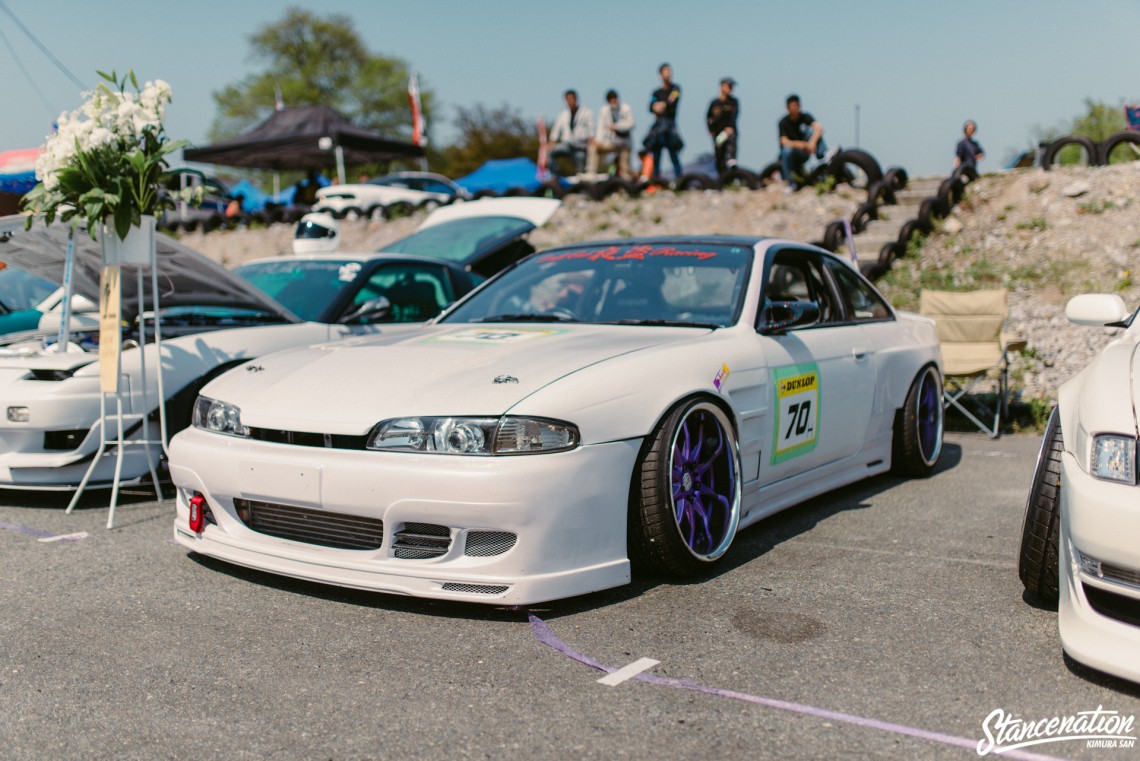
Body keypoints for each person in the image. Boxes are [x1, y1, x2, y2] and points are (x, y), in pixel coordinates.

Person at [778, 94, 830, 191]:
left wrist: (812, 142)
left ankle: (824, 157)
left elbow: (819, 128)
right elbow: (783, 141)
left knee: (811, 131)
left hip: (807, 150)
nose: (796, 108)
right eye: (793, 105)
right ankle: (791, 184)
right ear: (787, 107)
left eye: (797, 105)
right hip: (793, 154)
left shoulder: (805, 116)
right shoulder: (783, 122)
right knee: (786, 151)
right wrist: (802, 145)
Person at [644, 63, 684, 180]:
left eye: (670, 71)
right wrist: (657, 106)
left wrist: (661, 105)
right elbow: (650, 107)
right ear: (660, 74)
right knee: (656, 153)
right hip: (658, 125)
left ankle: (679, 178)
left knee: (673, 153)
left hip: (670, 125)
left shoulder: (675, 88)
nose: (669, 74)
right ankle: (656, 178)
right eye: (666, 71)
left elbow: (672, 101)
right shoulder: (656, 92)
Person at [587, 89, 635, 178]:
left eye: (615, 99)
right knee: (593, 147)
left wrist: (617, 127)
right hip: (611, 142)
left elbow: (631, 124)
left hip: (624, 144)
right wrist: (598, 141)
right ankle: (591, 172)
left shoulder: (625, 108)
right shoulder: (604, 110)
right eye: (611, 100)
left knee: (625, 168)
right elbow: (600, 127)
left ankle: (626, 182)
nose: (613, 101)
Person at [548, 89, 594, 176]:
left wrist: (590, 140)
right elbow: (556, 130)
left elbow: (591, 129)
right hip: (567, 145)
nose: (570, 101)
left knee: (580, 169)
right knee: (550, 152)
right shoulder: (563, 115)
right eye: (567, 99)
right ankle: (555, 175)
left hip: (580, 146)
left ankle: (580, 183)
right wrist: (551, 142)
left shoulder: (586, 113)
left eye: (571, 99)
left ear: (576, 99)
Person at [706, 77, 739, 176]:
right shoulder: (714, 103)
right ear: (722, 87)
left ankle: (732, 176)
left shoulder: (733, 102)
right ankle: (722, 178)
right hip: (717, 134)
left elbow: (734, 116)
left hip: (729, 133)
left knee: (731, 156)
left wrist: (730, 128)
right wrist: (711, 130)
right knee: (719, 156)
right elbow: (708, 118)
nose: (731, 89)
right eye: (729, 86)